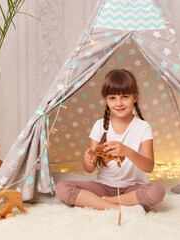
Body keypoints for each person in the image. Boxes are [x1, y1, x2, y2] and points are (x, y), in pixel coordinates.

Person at [55, 69, 165, 213]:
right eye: (112, 98)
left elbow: (149, 167)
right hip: (104, 186)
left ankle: (104, 202)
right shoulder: (99, 126)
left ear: (135, 98)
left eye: (124, 96)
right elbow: (90, 169)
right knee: (62, 188)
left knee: (157, 191)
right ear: (106, 100)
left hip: (132, 188)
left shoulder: (143, 127)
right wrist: (87, 161)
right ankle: (120, 208)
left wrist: (128, 152)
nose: (118, 103)